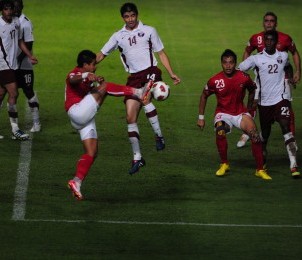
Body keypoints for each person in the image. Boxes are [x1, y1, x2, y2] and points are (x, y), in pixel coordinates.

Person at [96, 2, 181, 175]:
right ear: (123, 18)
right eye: (127, 17)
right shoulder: (117, 36)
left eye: (132, 15)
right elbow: (102, 54)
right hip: (133, 78)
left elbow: (161, 53)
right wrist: (87, 68)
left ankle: (159, 136)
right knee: (130, 117)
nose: (130, 19)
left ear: (137, 14)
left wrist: (171, 73)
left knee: (145, 98)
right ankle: (137, 157)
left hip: (150, 72)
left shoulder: (150, 31)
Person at [66, 50, 153, 200]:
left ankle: (76, 182)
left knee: (91, 153)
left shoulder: (88, 77)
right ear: (85, 65)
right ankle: (138, 92)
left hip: (83, 119)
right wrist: (89, 77)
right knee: (105, 87)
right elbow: (73, 80)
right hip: (77, 111)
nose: (95, 67)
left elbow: (90, 92)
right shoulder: (74, 73)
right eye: (93, 64)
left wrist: (96, 82)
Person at [197, 49, 270, 180]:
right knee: (220, 130)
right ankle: (224, 164)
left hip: (240, 113)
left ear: (235, 63)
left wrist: (250, 108)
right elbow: (204, 95)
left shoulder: (243, 77)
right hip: (223, 113)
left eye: (231, 62)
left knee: (255, 136)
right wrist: (201, 118)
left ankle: (259, 169)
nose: (228, 65)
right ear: (221, 63)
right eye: (225, 62)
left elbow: (253, 89)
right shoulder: (215, 80)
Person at [238, 30, 300, 179]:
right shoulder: (256, 59)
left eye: (272, 40)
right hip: (264, 102)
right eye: (267, 40)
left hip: (281, 98)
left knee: (286, 127)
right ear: (264, 41)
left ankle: (293, 165)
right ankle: (262, 163)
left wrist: (291, 77)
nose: (269, 42)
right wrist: (248, 86)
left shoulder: (283, 56)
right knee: (265, 135)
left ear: (276, 41)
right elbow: (240, 69)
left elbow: (288, 66)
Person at [237, 11, 301, 148]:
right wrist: (245, 73)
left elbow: (294, 52)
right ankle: (248, 131)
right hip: (262, 78)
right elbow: (247, 51)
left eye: (272, 21)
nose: (269, 23)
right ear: (263, 22)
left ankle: (291, 136)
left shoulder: (285, 38)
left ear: (276, 23)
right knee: (254, 102)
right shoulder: (256, 38)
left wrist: (297, 71)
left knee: (287, 107)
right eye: (267, 21)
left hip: (282, 80)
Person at [0, 0, 37, 140]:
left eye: (11, 9)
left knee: (1, 94)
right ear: (2, 10)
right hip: (3, 64)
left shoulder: (16, 22)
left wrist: (30, 55)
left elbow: (20, 41)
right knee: (14, 93)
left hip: (13, 64)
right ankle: (15, 130)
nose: (9, 11)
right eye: (6, 9)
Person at [13, 0, 41, 132]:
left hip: (24, 66)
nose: (16, 9)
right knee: (3, 92)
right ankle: (14, 126)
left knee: (28, 91)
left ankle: (36, 123)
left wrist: (17, 61)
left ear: (22, 7)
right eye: (14, 6)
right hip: (9, 65)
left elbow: (28, 45)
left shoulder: (26, 23)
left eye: (19, 6)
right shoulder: (7, 21)